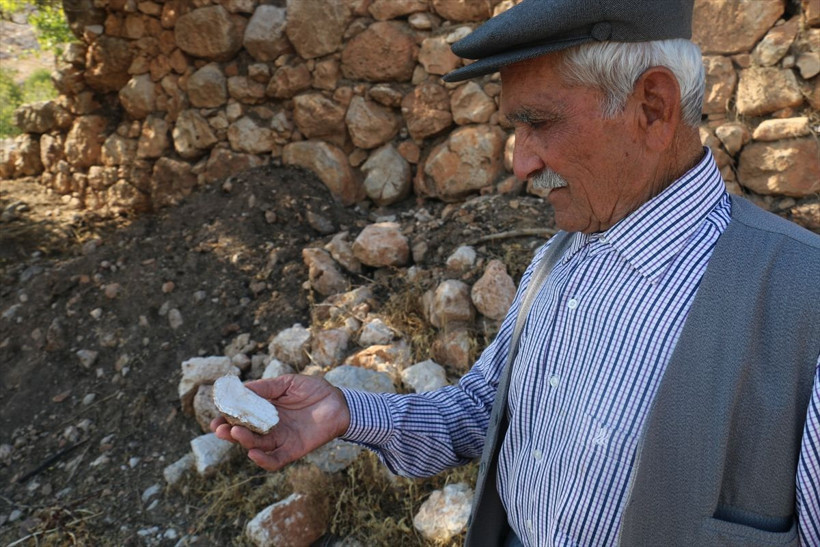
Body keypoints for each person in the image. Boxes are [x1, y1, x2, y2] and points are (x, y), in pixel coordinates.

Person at [213, 0, 820, 544]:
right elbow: (486, 409)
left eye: (539, 122)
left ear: (652, 107)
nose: (521, 163)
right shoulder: (556, 260)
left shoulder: (805, 304)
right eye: (514, 128)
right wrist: (346, 412)